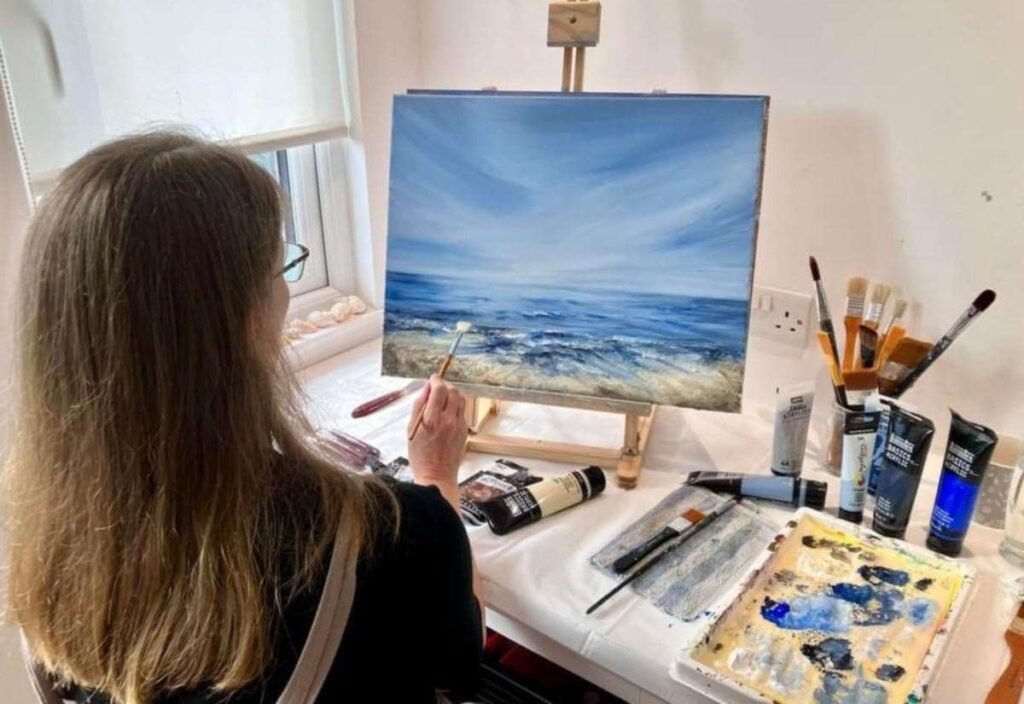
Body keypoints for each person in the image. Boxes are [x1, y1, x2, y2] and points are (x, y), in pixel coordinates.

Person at [4, 132, 483, 703]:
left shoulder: (51, 539)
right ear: (241, 318)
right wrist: (437, 477)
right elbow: (459, 666)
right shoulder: (389, 534)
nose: (286, 292)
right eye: (280, 268)